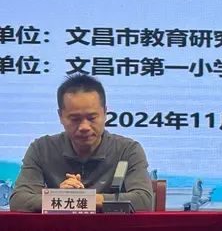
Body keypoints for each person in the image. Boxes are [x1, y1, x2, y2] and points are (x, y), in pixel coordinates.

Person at [9, 74, 153, 212]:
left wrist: (81, 199)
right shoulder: (42, 149)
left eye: (92, 118)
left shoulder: (127, 150)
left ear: (105, 113)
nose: (84, 127)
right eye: (75, 119)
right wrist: (59, 197)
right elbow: (18, 200)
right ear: (60, 116)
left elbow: (144, 200)